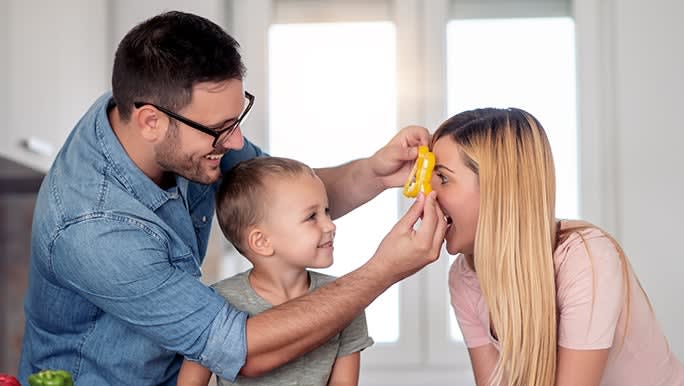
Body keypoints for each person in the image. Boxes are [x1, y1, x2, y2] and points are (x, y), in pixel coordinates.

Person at [18, 11, 447, 386]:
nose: (237, 141)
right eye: (221, 128)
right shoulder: (95, 227)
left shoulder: (156, 116)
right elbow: (242, 353)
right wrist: (383, 271)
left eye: (237, 117)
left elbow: (278, 202)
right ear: (150, 121)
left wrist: (372, 173)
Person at [431, 108, 684, 386]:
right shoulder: (464, 278)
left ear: (498, 192)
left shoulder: (587, 260)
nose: (426, 194)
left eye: (442, 178)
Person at [177, 156, 374, 386]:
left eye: (327, 211)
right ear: (261, 241)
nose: (330, 225)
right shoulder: (217, 305)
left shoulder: (347, 300)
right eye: (312, 216)